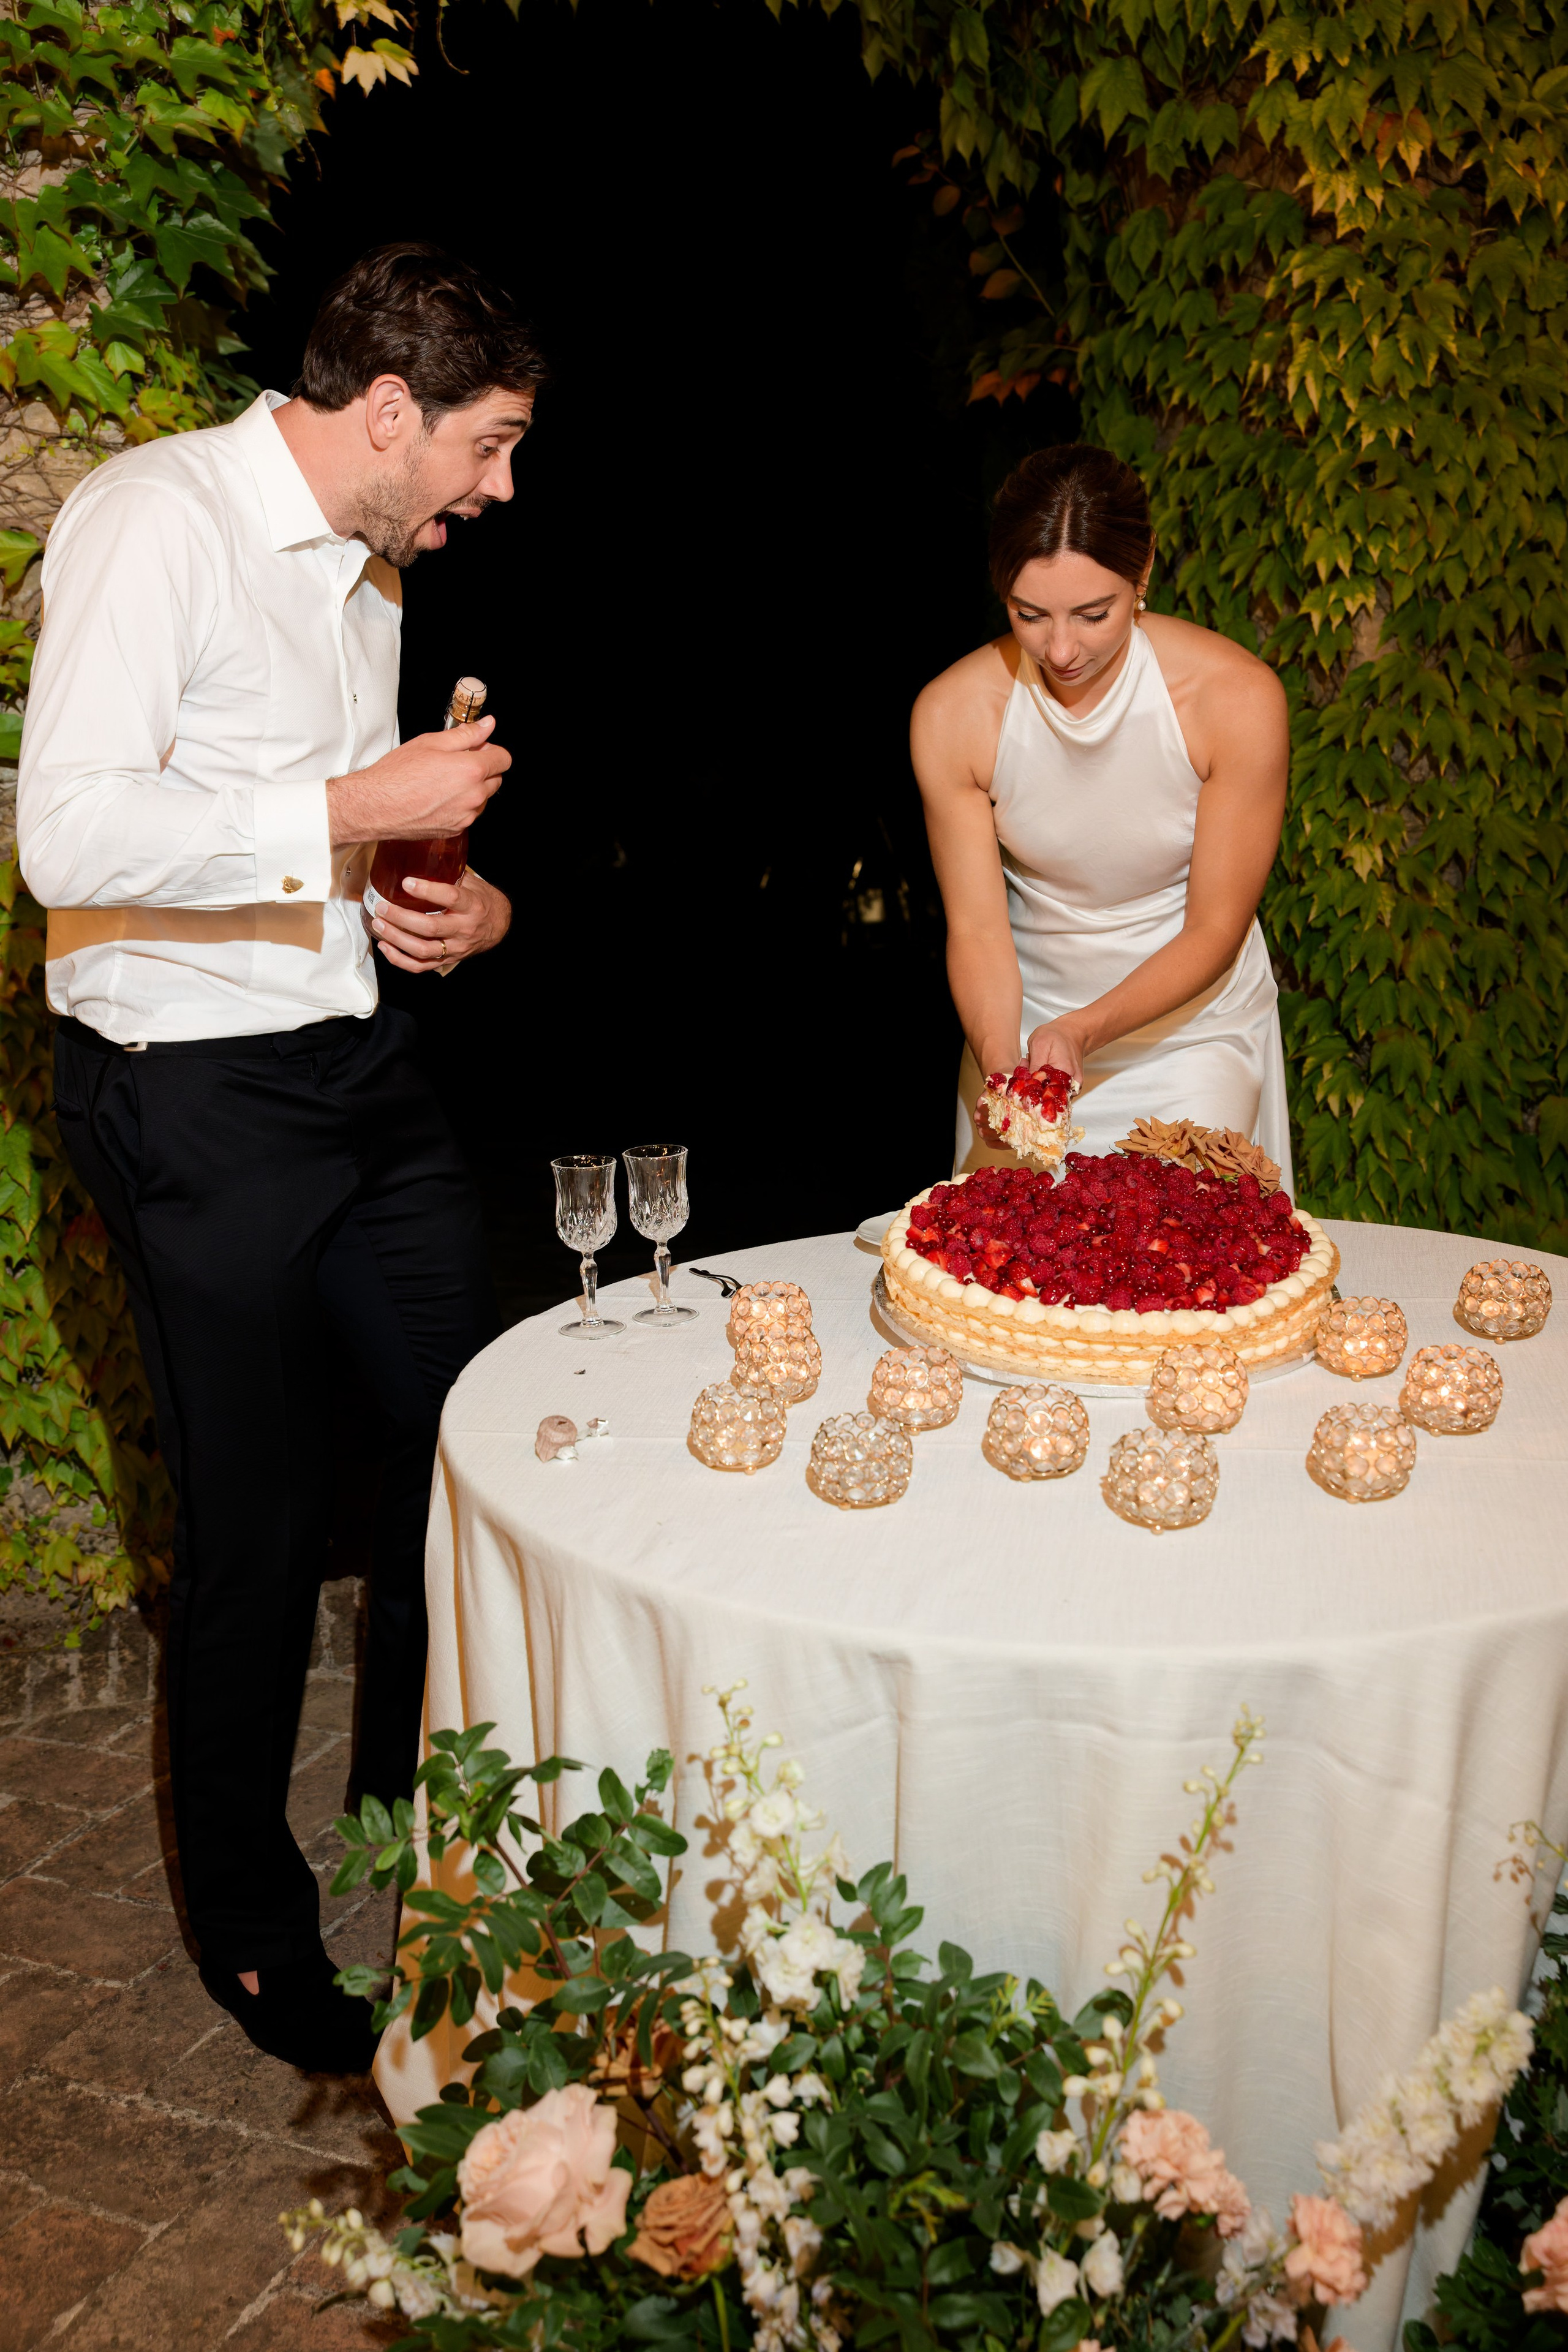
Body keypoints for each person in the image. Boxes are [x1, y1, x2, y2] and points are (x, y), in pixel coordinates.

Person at [17, 243, 544, 2072]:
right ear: (387, 411)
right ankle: (251, 1928)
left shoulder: (377, 579)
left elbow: (366, 852)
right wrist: (343, 807)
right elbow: (66, 825)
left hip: (364, 1075)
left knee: (458, 1450)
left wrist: (448, 904)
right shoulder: (149, 517)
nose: (497, 486)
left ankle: (427, 1842)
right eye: (486, 444)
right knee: (254, 1526)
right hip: (189, 1096)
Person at [912, 443, 1294, 1187]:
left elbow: (1215, 927)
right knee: (1009, 1278)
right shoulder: (952, 714)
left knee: (1185, 1263)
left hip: (1193, 1032)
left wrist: (1085, 1030)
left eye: (1093, 614)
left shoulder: (1235, 700)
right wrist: (1003, 1065)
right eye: (1030, 615)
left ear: (1143, 570)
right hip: (1022, 1022)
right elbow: (980, 928)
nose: (1060, 649)